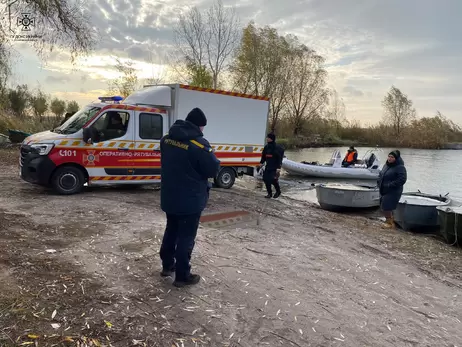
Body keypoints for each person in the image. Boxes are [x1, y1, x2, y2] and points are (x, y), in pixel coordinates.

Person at [159, 107, 220, 287]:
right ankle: (182, 276)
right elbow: (212, 169)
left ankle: (167, 266)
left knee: (171, 231)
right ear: (199, 126)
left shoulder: (166, 140)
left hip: (170, 196)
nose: (203, 131)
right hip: (190, 199)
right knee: (186, 236)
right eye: (202, 127)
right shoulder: (199, 145)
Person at [378, 150, 407, 229]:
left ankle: (390, 223)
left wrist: (390, 185)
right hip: (384, 189)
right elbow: (381, 174)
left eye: (392, 157)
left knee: (387, 206)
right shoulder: (386, 165)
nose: (390, 158)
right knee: (383, 205)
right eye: (389, 156)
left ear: (396, 158)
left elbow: (402, 179)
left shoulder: (400, 167)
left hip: (394, 190)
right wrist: (379, 182)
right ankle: (389, 221)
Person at [259, 133, 284, 198]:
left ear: (271, 139)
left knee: (272, 179)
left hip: (275, 167)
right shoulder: (266, 147)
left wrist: (279, 167)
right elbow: (263, 156)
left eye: (268, 137)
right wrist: (261, 163)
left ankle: (278, 191)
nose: (267, 138)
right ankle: (269, 194)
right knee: (265, 179)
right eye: (267, 137)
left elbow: (279, 158)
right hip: (268, 166)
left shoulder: (277, 148)